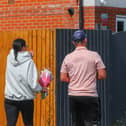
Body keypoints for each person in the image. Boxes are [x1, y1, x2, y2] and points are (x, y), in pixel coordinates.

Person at [60, 30, 106, 126]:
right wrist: (90, 77)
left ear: (73, 42)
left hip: (74, 95)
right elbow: (102, 75)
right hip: (90, 95)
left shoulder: (68, 57)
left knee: (77, 123)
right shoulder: (94, 55)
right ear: (85, 40)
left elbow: (63, 77)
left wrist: (75, 79)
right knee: (92, 123)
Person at [4, 38, 47, 126]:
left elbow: (17, 56)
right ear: (23, 48)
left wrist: (28, 55)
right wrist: (42, 88)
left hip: (10, 99)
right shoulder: (29, 62)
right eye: (26, 47)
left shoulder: (9, 58)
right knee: (28, 124)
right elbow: (33, 83)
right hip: (25, 99)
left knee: (10, 124)